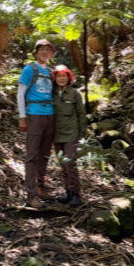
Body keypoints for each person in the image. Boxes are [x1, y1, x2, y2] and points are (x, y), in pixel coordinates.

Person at [17, 38, 59, 201]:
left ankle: (40, 185)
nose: (44, 52)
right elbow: (21, 93)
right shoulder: (29, 69)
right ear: (36, 52)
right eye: (41, 49)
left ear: (50, 53)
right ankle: (31, 193)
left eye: (47, 49)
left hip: (50, 116)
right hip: (34, 114)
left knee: (45, 153)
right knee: (32, 154)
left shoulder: (50, 72)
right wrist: (23, 117)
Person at [51, 64, 89, 207]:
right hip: (56, 134)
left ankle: (75, 193)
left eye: (64, 76)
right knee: (63, 164)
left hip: (71, 133)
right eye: (59, 76)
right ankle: (67, 190)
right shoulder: (52, 93)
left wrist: (82, 134)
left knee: (70, 162)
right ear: (55, 78)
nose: (61, 78)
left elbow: (81, 114)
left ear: (68, 77)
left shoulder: (75, 94)